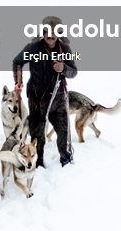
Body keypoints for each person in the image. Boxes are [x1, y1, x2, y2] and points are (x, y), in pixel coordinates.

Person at [12, 15, 78, 168]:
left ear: (59, 33)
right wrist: (18, 81)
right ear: (43, 32)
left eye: (54, 32)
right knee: (37, 131)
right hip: (37, 96)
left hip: (59, 95)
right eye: (47, 31)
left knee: (63, 128)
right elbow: (17, 62)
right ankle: (37, 163)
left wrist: (64, 68)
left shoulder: (65, 49)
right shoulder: (33, 48)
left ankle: (66, 161)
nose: (50, 35)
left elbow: (74, 71)